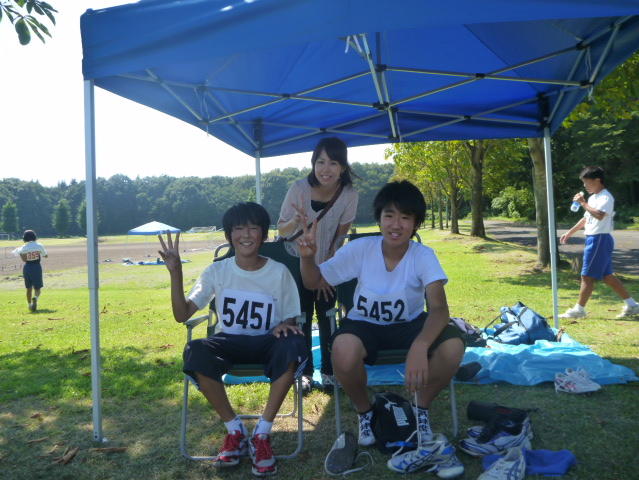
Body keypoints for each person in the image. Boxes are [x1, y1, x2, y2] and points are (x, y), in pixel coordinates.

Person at [297, 180, 465, 477]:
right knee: (342, 350)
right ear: (379, 218)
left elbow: (439, 310)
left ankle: (419, 409)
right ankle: (366, 412)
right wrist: (308, 257)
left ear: (415, 223)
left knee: (453, 347)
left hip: (410, 324)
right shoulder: (361, 249)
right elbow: (314, 282)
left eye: (405, 217)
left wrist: (420, 346)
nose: (396, 224)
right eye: (389, 215)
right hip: (364, 324)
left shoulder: (423, 255)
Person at [158, 202, 306, 477]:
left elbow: (291, 319)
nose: (246, 235)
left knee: (294, 344)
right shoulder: (217, 271)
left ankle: (261, 434)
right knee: (196, 350)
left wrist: (285, 326)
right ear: (229, 235)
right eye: (238, 228)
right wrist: (175, 272)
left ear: (263, 234)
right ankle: (235, 430)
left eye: (253, 228)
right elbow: (182, 314)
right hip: (229, 342)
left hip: (268, 342)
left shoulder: (279, 272)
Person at [278, 137, 359, 392]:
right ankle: (304, 373)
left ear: (343, 167)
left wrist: (325, 273)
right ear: (313, 164)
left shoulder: (349, 194)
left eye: (333, 163)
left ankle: (329, 372)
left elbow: (340, 237)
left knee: (328, 316)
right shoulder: (298, 189)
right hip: (295, 262)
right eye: (320, 162)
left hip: (328, 263)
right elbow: (282, 230)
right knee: (300, 317)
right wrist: (296, 221)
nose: (326, 169)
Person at [559, 166, 639, 319]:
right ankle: (632, 305)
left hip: (599, 239)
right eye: (583, 183)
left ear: (597, 180)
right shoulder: (593, 198)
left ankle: (579, 310)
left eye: (587, 182)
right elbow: (586, 218)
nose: (585, 186)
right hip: (594, 239)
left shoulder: (606, 197)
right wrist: (570, 232)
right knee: (607, 276)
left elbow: (599, 215)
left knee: (586, 276)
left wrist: (583, 203)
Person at [13, 230, 48, 312]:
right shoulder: (39, 245)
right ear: (34, 236)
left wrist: (21, 253)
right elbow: (45, 256)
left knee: (28, 288)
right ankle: (35, 298)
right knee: (38, 288)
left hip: (27, 267)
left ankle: (29, 305)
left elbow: (24, 260)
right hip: (36, 267)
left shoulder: (23, 248)